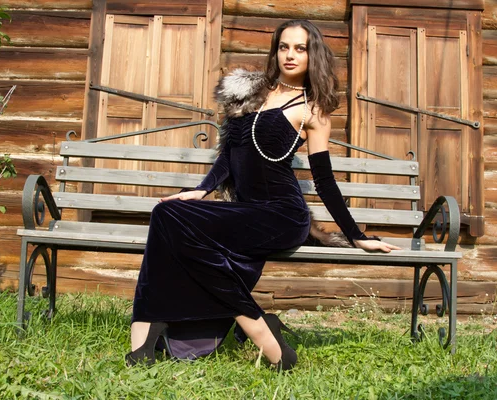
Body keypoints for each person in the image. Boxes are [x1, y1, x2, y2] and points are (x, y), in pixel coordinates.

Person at [127, 19, 401, 371]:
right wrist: (201, 189)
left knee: (177, 224)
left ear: (311, 55)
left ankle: (259, 333)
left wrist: (356, 236)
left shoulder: (312, 110)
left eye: (300, 48)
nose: (290, 55)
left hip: (282, 216)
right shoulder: (253, 93)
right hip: (245, 212)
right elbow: (229, 153)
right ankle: (144, 337)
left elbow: (324, 180)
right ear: (275, 51)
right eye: (284, 47)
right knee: (166, 213)